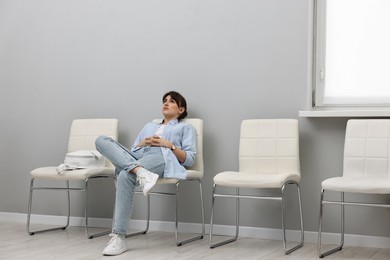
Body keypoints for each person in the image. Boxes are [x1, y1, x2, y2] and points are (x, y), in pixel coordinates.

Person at [95, 91, 196, 256]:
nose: (166, 103)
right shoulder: (149, 126)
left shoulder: (185, 127)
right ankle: (140, 172)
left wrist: (169, 145)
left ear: (181, 109)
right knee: (101, 140)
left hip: (162, 157)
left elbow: (189, 159)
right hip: (140, 157)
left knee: (124, 175)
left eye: (171, 101)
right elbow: (133, 150)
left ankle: (119, 237)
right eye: (164, 100)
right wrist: (143, 143)